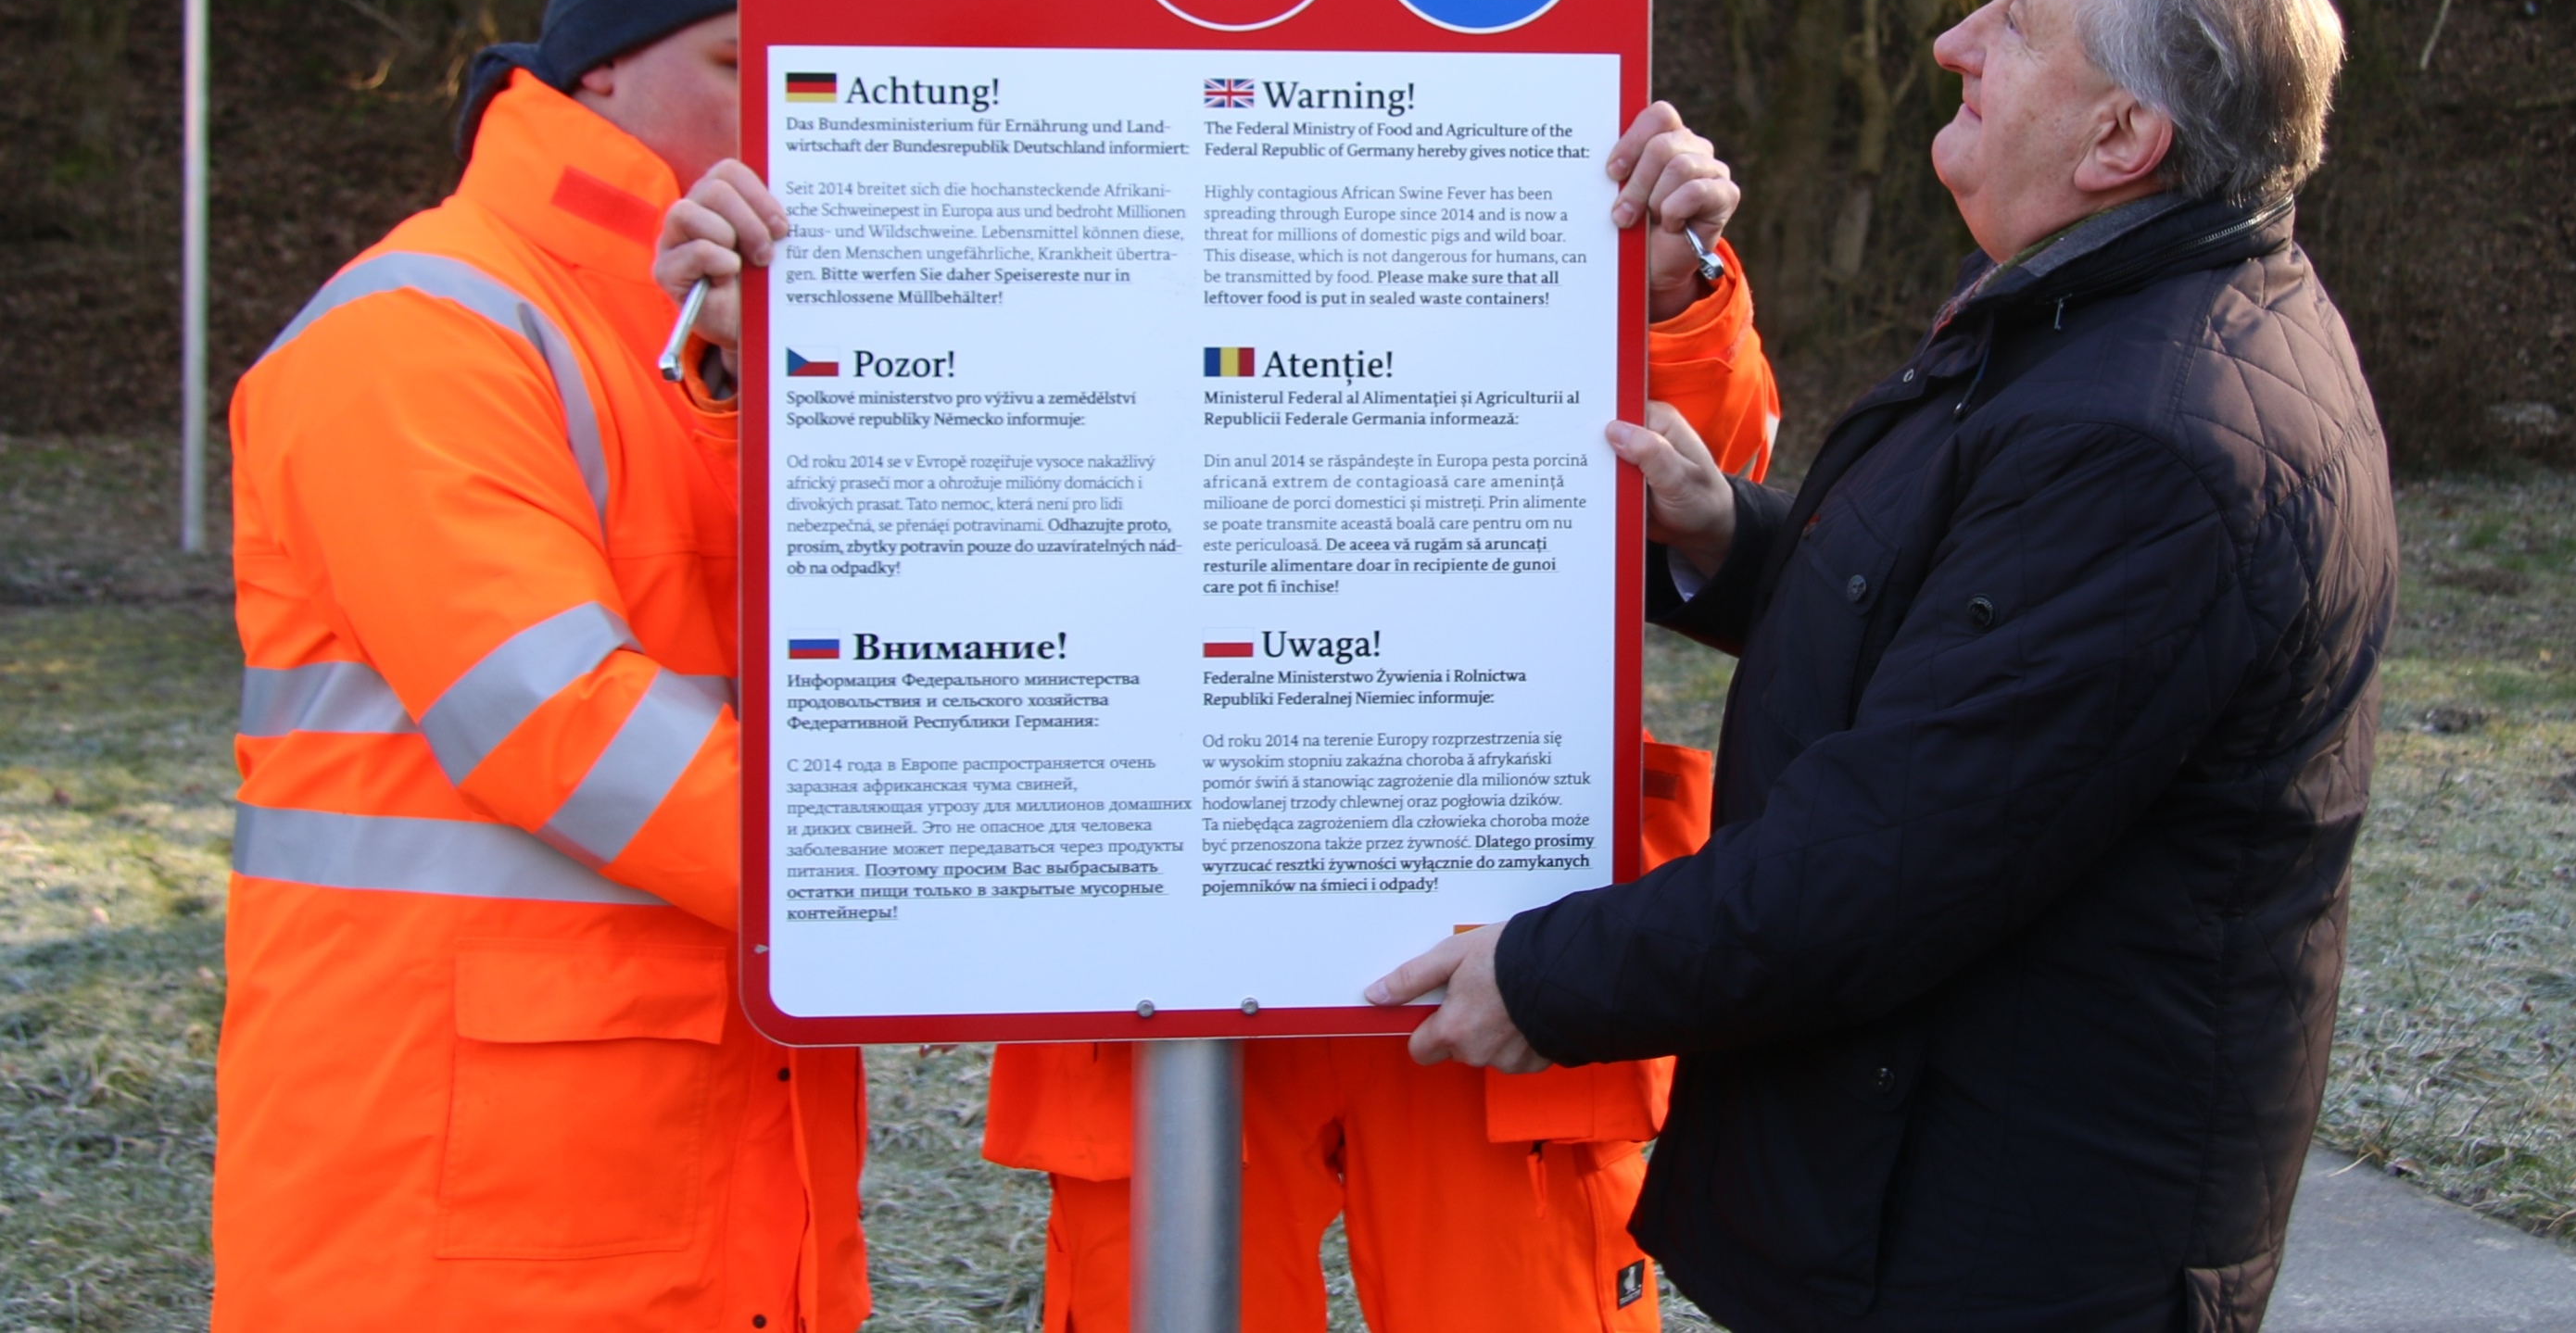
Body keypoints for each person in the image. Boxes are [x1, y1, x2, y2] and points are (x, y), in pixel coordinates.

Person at [1371, 0, 2398, 1333]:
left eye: (2018, 21)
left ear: (2123, 136)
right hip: (1954, 1199)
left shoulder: (2158, 436)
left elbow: (1888, 855)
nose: (1955, 43)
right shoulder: (2114, 324)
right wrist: (1730, 534)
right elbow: (1966, 636)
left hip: (2012, 1255)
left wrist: (1546, 976)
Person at [656, 104, 1779, 1333]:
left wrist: (1671, 299)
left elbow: (1695, 493)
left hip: (1487, 926)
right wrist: (755, 356)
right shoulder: (1023, 130)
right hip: (1155, 955)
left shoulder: (1504, 126)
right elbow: (825, 561)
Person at [216, 0, 867, 1333]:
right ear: (603, 69)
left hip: (686, 1169)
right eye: (737, 63)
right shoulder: (421, 333)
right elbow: (559, 717)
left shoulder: (708, 342)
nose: (785, 110)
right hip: (460, 1201)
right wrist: (890, 893)